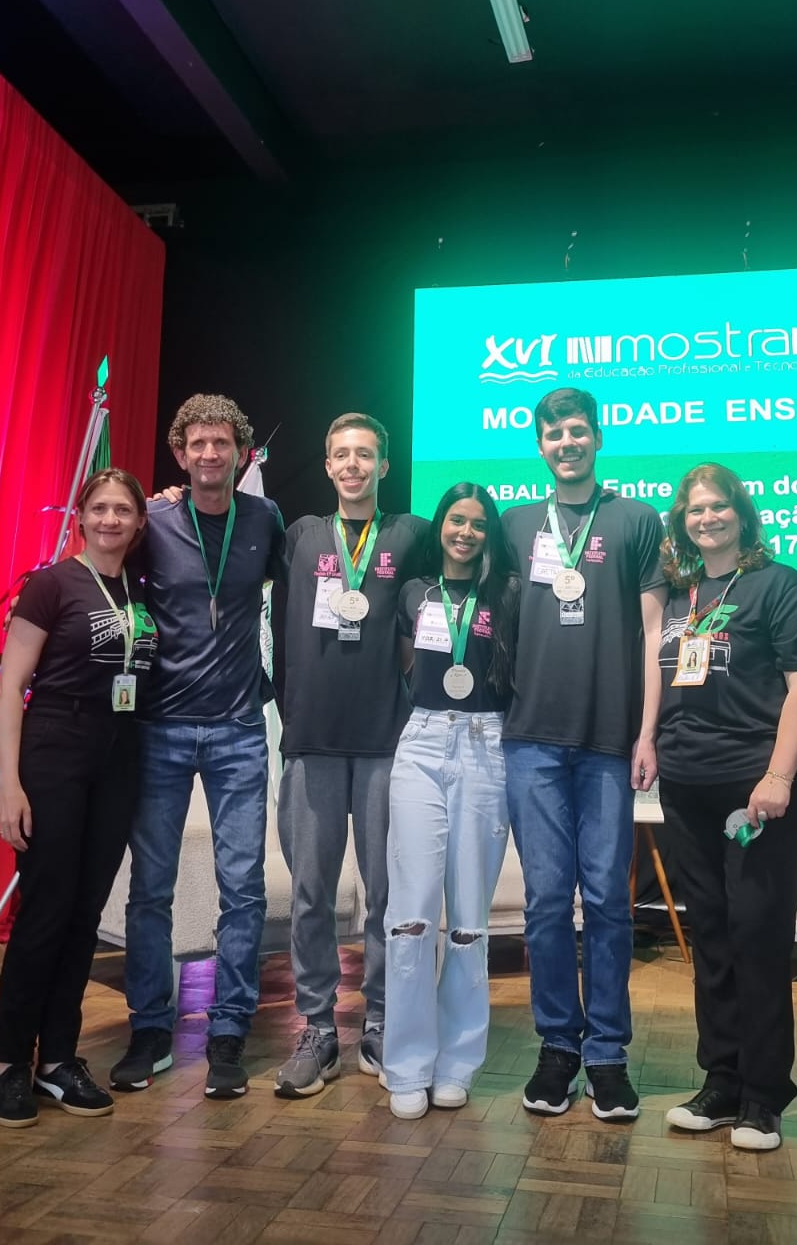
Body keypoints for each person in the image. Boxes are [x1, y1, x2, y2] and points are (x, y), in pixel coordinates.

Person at [110, 395, 285, 1101]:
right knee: (150, 888)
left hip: (239, 728)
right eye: (198, 444)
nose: (210, 454)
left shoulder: (265, 519)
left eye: (222, 443)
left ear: (241, 453)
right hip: (160, 727)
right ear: (179, 454)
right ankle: (151, 1028)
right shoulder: (152, 520)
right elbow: (100, 579)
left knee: (243, 890)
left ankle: (228, 1030)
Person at [502, 387, 665, 1122]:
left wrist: (647, 732)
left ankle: (606, 1054)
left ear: (598, 438)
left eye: (577, 431)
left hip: (607, 742)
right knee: (544, 902)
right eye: (553, 434)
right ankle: (557, 1046)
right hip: (531, 740)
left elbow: (653, 635)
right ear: (539, 446)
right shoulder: (514, 525)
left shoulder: (636, 520)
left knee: (604, 900)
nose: (566, 443)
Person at [646, 464, 797, 1152]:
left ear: (742, 513)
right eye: (694, 509)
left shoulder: (778, 584)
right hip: (685, 784)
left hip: (754, 787)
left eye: (718, 507)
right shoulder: (679, 593)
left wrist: (779, 776)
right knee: (711, 935)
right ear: (681, 522)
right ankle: (721, 1082)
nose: (706, 518)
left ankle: (764, 1096)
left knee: (757, 934)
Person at [0, 469, 157, 1128]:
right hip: (55, 750)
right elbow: (11, 687)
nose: (111, 519)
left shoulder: (138, 588)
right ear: (80, 516)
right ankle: (10, 1062)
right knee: (46, 912)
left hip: (118, 758)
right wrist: (10, 783)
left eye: (124, 510)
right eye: (100, 508)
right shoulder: (52, 584)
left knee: (85, 915)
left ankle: (57, 1058)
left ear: (138, 522)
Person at [272, 414, 427, 1097]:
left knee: (387, 896)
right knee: (311, 894)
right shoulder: (300, 535)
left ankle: (383, 1020)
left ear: (383, 465)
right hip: (312, 741)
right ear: (328, 465)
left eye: (366, 453)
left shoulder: (411, 534)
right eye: (342, 454)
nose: (354, 464)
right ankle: (316, 1028)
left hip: (387, 742)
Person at [384, 482, 521, 1119]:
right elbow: (401, 666)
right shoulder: (414, 592)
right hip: (421, 744)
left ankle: (458, 1063)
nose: (465, 532)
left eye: (478, 523)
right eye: (455, 520)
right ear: (439, 525)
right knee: (411, 914)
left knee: (468, 921)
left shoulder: (507, 593)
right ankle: (406, 1065)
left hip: (487, 747)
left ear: (490, 533)